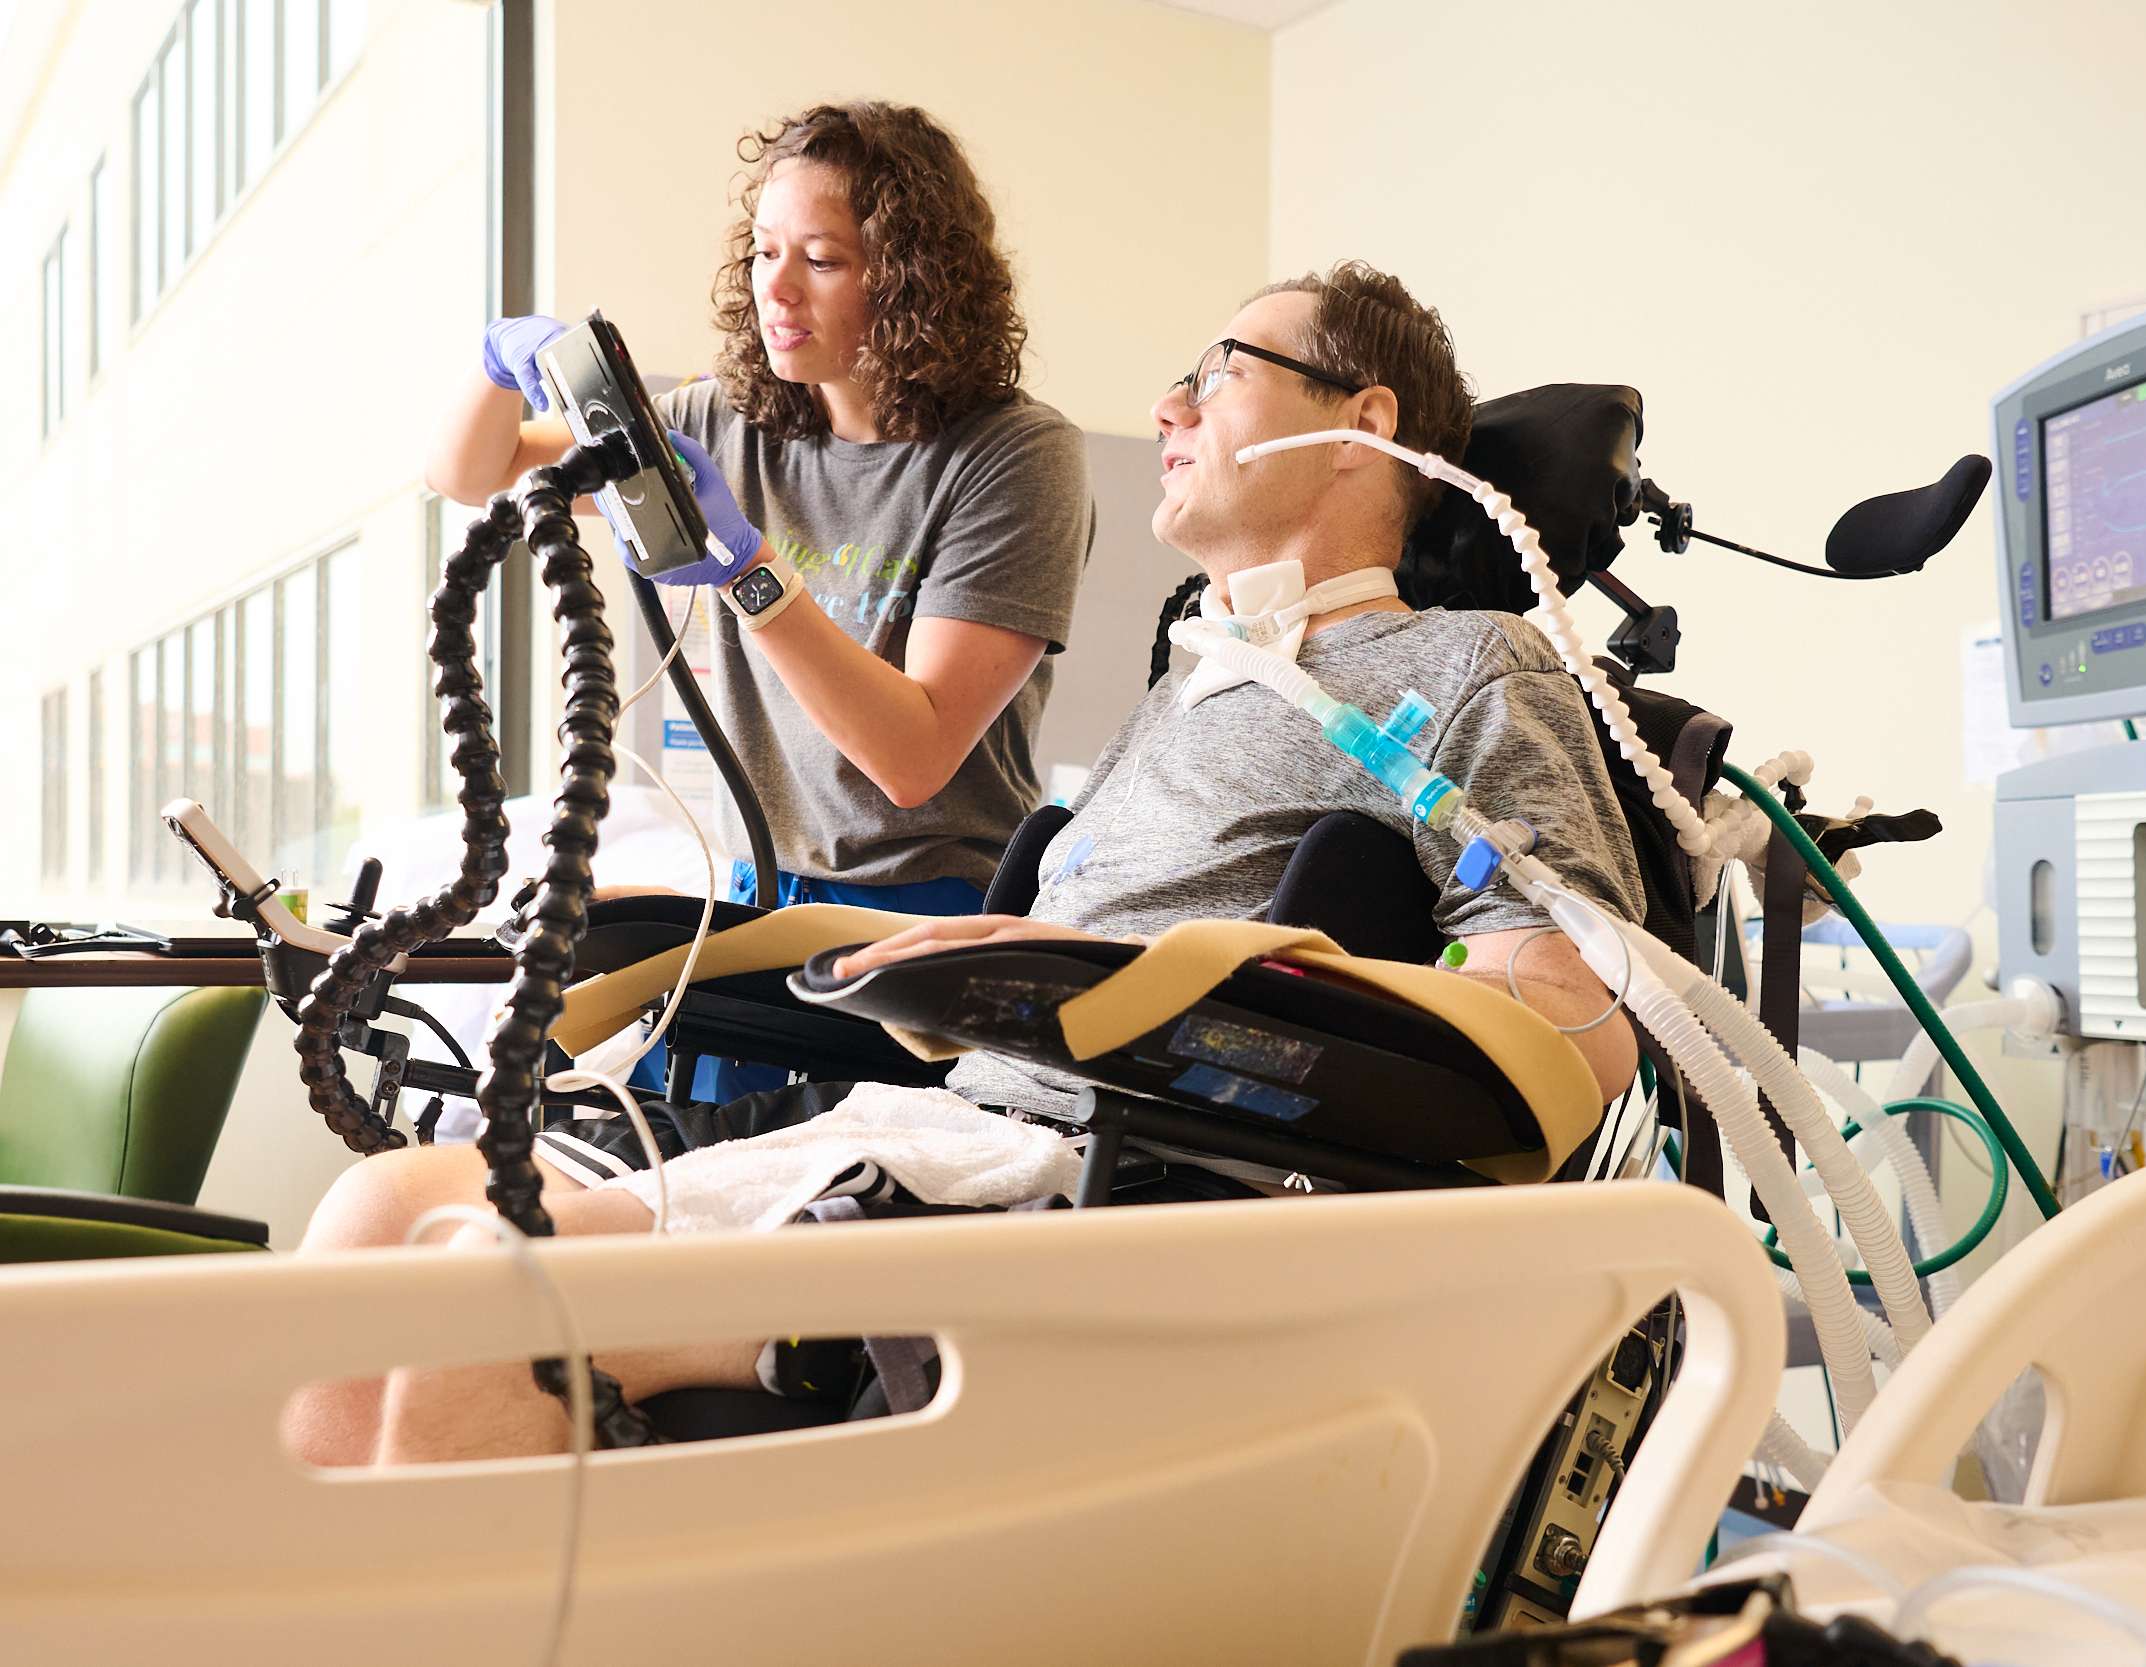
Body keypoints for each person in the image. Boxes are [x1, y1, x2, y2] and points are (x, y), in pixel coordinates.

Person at [294, 262, 1648, 1467]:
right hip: (942, 1124)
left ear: (1362, 420)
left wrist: (1131, 977)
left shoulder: (1464, 666)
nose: (1170, 411)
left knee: (484, 1296)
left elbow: (1575, 1023)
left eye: (1219, 374)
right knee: (383, 1210)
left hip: (1106, 1170)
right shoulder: (1194, 685)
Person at [428, 101, 1091, 924]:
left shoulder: (1015, 454)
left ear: (912, 278)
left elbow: (912, 757)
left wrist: (750, 570)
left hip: (931, 907)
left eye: (820, 259)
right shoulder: (722, 423)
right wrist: (497, 360)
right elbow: (471, 474)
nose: (775, 287)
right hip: (763, 884)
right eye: (765, 251)